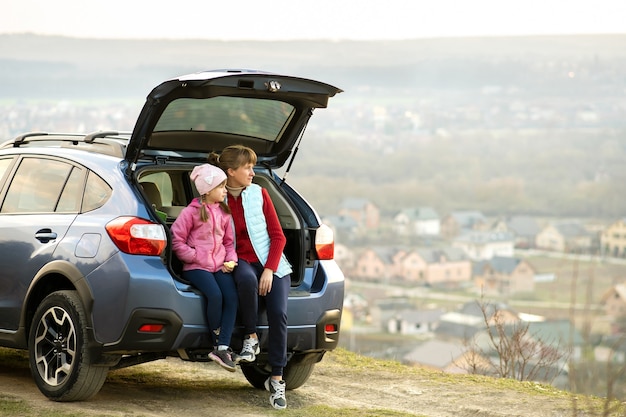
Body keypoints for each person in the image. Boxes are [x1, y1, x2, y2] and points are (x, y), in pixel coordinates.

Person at [209, 145, 292, 410]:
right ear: (231, 172)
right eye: (248, 168)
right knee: (245, 279)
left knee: (278, 313)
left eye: (253, 167)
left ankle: (277, 379)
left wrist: (269, 269)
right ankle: (251, 338)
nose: (252, 173)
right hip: (241, 261)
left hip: (273, 263)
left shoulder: (260, 194)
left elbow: (279, 236)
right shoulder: (217, 201)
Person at [170, 163, 239, 372]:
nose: (225, 191)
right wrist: (194, 256)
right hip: (196, 267)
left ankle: (223, 346)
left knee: (232, 297)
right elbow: (176, 240)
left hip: (219, 265)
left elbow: (229, 243)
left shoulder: (224, 213)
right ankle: (216, 340)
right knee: (215, 295)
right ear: (207, 190)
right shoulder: (191, 213)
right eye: (221, 187)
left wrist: (231, 260)